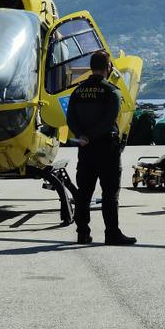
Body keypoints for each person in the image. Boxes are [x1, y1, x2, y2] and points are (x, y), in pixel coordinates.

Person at [65, 50, 136, 245]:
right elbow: (108, 120)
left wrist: (82, 135)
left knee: (84, 192)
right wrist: (91, 135)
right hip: (106, 149)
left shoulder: (78, 91)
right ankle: (112, 233)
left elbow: (70, 119)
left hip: (85, 149)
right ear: (108, 67)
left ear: (91, 67)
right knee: (110, 193)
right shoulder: (112, 91)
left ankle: (82, 232)